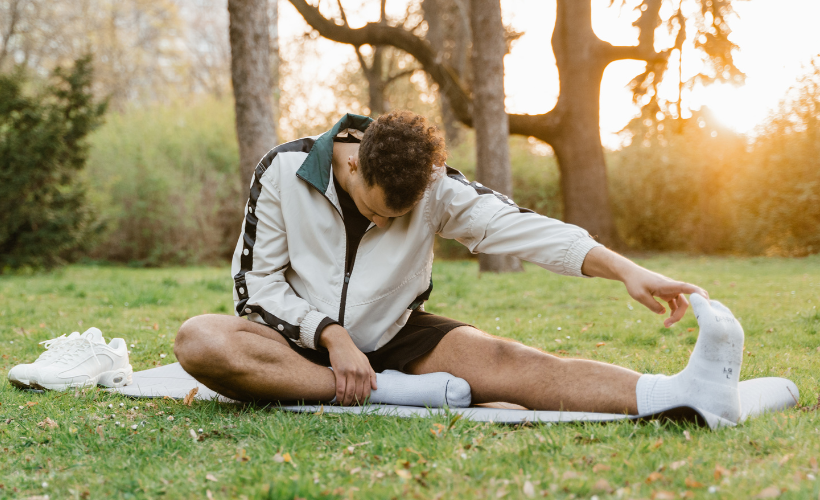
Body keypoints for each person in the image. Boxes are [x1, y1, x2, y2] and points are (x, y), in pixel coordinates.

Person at [174, 111, 743, 425]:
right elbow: (255, 289)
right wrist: (330, 334)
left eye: (399, 216)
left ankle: (677, 393)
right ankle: (388, 393)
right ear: (351, 165)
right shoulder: (282, 171)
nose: (385, 222)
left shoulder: (435, 187)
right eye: (375, 209)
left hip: (396, 335)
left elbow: (524, 228)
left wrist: (624, 270)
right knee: (201, 340)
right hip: (296, 346)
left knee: (510, 360)